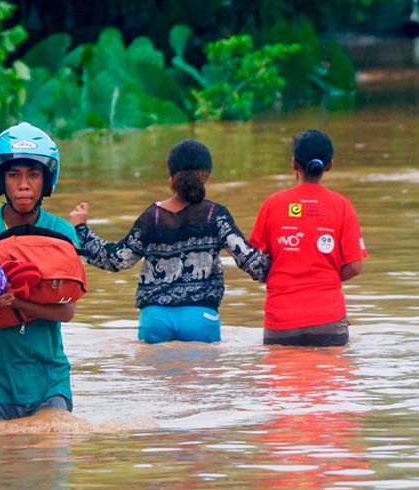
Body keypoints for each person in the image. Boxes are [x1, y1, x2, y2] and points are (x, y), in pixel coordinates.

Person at [68, 139, 270, 344]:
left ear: (170, 176)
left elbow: (116, 260)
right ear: (206, 175)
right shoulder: (215, 215)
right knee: (204, 376)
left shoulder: (152, 217)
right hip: (200, 318)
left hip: (155, 319)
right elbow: (251, 262)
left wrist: (81, 229)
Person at [0, 122, 80, 425]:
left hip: (49, 377)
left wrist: (15, 303)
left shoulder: (62, 233)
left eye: (33, 175)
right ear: (1, 181)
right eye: (14, 175)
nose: (24, 185)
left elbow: (67, 311)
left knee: (50, 462)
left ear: (46, 181)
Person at [249, 129, 366, 346]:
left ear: (294, 164)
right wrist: (325, 279)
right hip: (328, 319)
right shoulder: (342, 206)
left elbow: (253, 259)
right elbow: (355, 266)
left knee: (281, 379)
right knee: (331, 379)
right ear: (329, 165)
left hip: (281, 321)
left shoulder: (272, 204)